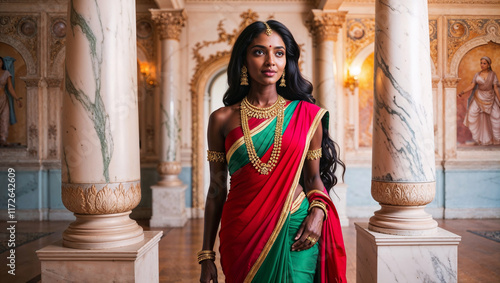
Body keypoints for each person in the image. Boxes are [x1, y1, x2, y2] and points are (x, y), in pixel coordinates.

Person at [199, 20, 346, 283]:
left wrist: (318, 212)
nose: (270, 61)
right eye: (259, 52)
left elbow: (313, 179)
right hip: (241, 232)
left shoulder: (307, 115)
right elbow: (216, 189)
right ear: (244, 59)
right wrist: (206, 255)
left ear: (286, 61)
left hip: (296, 227)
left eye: (279, 53)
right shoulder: (221, 119)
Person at [458, 56, 500, 145]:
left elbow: (496, 88)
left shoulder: (493, 74)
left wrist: (499, 100)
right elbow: (472, 86)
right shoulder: (477, 74)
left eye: (484, 63)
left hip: (491, 97)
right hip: (478, 97)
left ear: (488, 65)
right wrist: (462, 92)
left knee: (496, 117)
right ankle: (479, 138)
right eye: (481, 63)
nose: (482, 65)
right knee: (471, 114)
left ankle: (496, 139)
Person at [0, 56, 22, 147]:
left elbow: (10, 88)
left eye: (0, 61)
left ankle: (3, 140)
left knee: (4, 119)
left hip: (3, 98)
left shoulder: (6, 73)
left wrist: (17, 99)